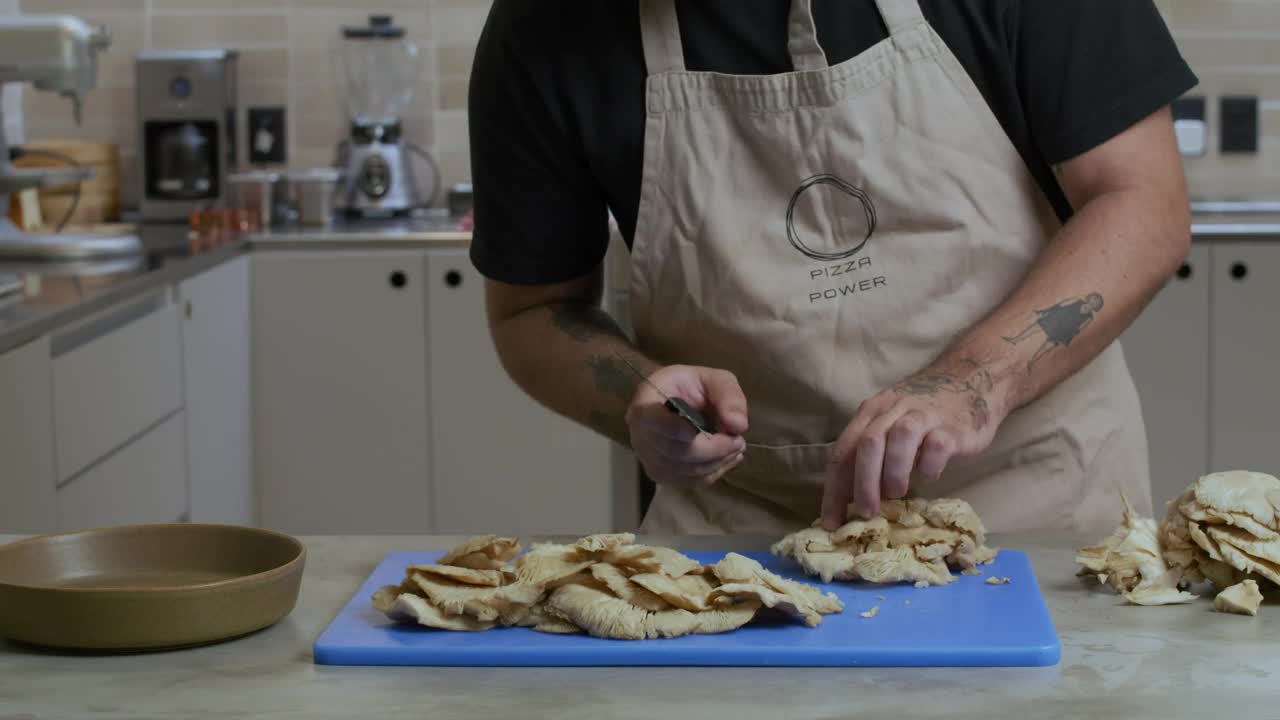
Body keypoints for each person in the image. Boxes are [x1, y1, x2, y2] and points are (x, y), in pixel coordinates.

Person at [468, 0, 1196, 535]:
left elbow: (1142, 201)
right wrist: (637, 397)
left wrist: (973, 382)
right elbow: (533, 311)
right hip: (741, 534)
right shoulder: (547, 28)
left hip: (1034, 500)